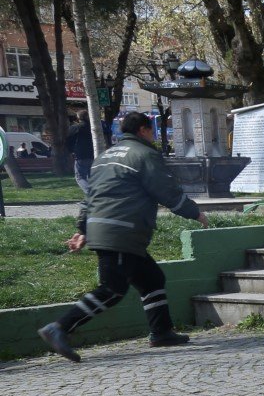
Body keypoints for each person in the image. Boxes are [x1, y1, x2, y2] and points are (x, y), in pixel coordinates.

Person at [38, 111, 209, 363]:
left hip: (108, 227)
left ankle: (161, 333)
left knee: (151, 279)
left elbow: (90, 196)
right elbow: (166, 190)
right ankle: (60, 328)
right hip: (121, 229)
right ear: (143, 130)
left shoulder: (104, 157)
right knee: (112, 289)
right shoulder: (145, 155)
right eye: (151, 130)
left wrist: (83, 229)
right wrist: (195, 213)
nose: (153, 135)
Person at [66, 111, 96, 194]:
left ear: (78, 118)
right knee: (92, 176)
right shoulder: (94, 127)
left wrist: (70, 151)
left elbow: (68, 140)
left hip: (81, 154)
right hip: (93, 154)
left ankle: (90, 193)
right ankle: (96, 193)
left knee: (80, 177)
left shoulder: (76, 127)